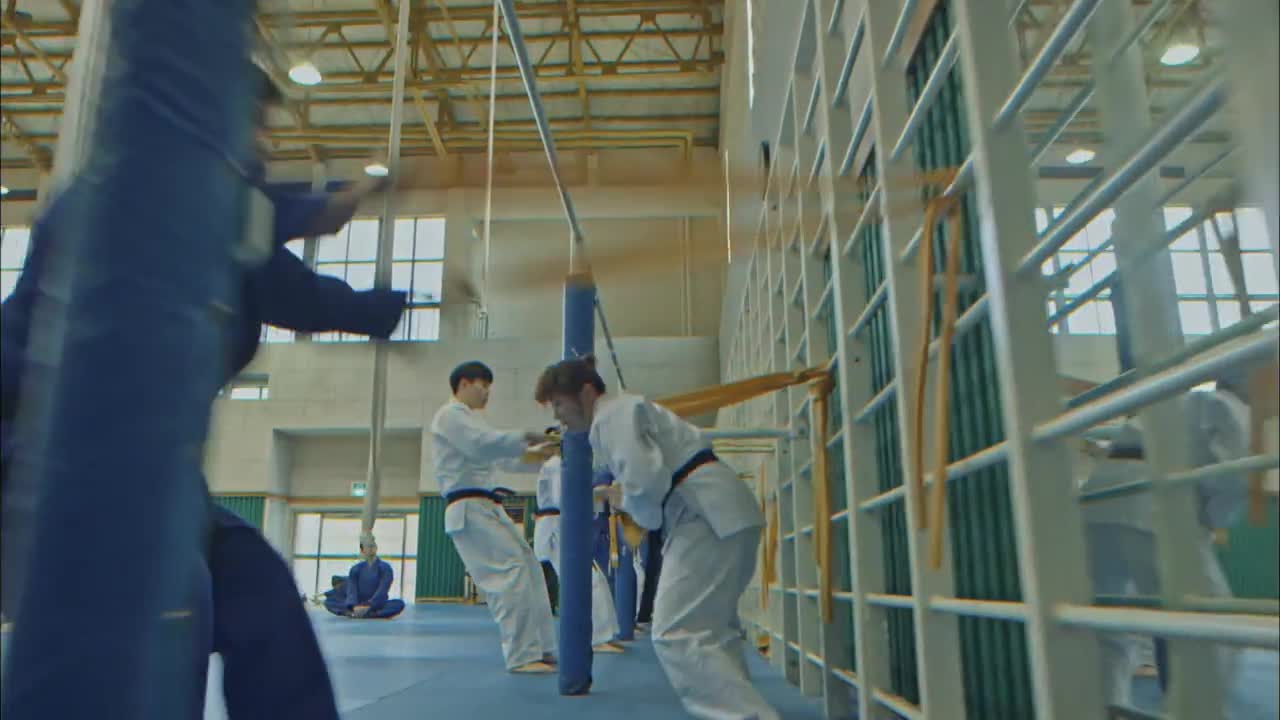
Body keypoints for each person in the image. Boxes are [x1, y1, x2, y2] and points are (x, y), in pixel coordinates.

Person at [1, 63, 408, 719]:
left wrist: (389, 305)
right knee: (168, 605)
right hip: (37, 452)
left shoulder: (229, 239)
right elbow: (231, 211)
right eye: (253, 124)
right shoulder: (130, 189)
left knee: (259, 596)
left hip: (149, 474)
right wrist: (335, 200)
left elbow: (301, 294)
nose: (262, 144)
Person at [535, 356, 779, 720]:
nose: (557, 416)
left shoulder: (609, 417)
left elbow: (645, 479)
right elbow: (648, 479)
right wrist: (628, 500)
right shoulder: (624, 410)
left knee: (676, 631)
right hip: (715, 508)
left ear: (585, 392)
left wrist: (637, 512)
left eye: (558, 403)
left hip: (705, 514)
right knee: (711, 631)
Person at [1077, 370, 1264, 716]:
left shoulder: (1180, 401)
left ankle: (1108, 706)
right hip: (1152, 506)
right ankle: (1194, 712)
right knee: (1215, 626)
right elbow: (1235, 478)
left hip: (1096, 505)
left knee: (1109, 624)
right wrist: (1214, 521)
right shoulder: (1229, 407)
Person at [430, 360, 557, 673]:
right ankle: (522, 655)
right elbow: (482, 445)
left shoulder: (474, 421)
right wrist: (526, 437)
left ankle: (542, 647)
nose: (487, 392)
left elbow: (502, 459)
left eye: (489, 387)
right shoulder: (450, 416)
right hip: (468, 507)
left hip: (487, 506)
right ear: (463, 384)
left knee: (528, 566)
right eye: (482, 385)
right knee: (510, 573)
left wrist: (541, 456)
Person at [534, 448, 624, 653]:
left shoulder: (561, 466)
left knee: (596, 579)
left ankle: (607, 633)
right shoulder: (556, 466)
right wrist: (599, 493)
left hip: (563, 524)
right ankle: (598, 637)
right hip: (556, 526)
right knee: (588, 580)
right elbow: (564, 499)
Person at [324, 539, 405, 619]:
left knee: (399, 604)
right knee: (329, 601)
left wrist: (369, 605)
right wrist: (353, 605)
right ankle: (355, 612)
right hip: (357, 604)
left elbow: (383, 590)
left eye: (372, 546)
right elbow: (352, 590)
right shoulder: (356, 568)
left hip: (376, 605)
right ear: (362, 550)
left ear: (376, 548)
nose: (371, 549)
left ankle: (365, 614)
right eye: (367, 547)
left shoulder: (385, 567)